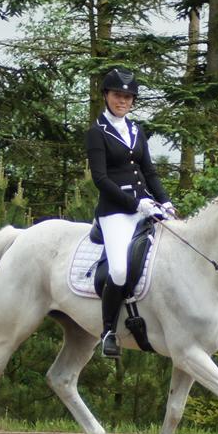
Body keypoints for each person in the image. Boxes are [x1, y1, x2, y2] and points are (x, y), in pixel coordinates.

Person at [86, 68, 176, 358]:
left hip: (147, 205)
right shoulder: (97, 133)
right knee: (119, 270)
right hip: (115, 212)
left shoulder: (137, 130)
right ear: (106, 96)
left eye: (127, 97)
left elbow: (149, 171)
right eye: (117, 95)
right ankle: (108, 332)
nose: (122, 101)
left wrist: (166, 202)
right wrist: (135, 204)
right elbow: (101, 179)